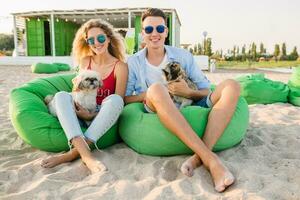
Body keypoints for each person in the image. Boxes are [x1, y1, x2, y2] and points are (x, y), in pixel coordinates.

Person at [125, 8, 240, 192]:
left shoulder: (183, 56)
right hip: (157, 107)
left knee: (232, 85)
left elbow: (205, 88)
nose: (155, 34)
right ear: (142, 34)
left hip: (189, 101)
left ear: (166, 31)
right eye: (149, 30)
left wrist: (188, 92)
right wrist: (152, 95)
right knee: (156, 89)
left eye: (160, 29)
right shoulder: (133, 62)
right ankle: (212, 160)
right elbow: (125, 98)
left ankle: (198, 157)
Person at [41, 19, 128, 173]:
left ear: (108, 38)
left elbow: (119, 101)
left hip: (102, 111)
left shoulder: (120, 66)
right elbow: (76, 91)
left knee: (115, 100)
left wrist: (90, 116)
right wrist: (78, 108)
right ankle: (86, 155)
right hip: (80, 106)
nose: (97, 43)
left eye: (101, 38)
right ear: (87, 42)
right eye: (91, 40)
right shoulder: (85, 61)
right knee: (61, 95)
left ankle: (74, 154)